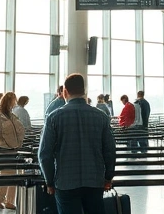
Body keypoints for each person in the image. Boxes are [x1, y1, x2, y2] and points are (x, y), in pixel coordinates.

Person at [39, 74, 116, 214]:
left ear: (65, 92)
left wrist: (49, 181)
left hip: (65, 182)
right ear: (84, 91)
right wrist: (108, 177)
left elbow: (45, 154)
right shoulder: (101, 117)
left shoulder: (54, 117)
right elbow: (110, 150)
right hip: (95, 180)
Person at [0, 91, 26, 209]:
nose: (14, 103)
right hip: (3, 149)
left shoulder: (12, 116)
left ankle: (10, 201)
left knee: (13, 174)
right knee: (5, 174)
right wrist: (5, 143)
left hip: (13, 148)